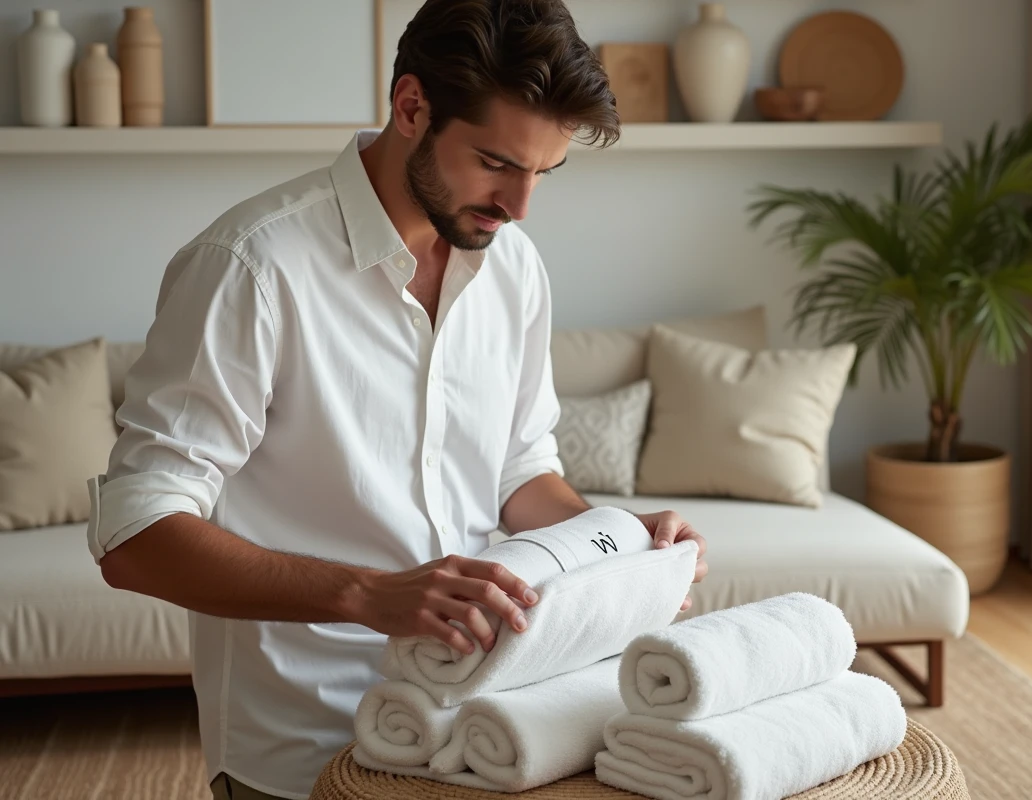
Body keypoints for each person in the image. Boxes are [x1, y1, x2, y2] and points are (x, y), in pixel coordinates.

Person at [85, 1, 708, 798]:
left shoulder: (512, 268)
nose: (519, 206)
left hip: (481, 726)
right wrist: (374, 596)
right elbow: (135, 537)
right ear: (411, 107)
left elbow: (521, 475)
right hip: (300, 744)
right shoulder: (250, 267)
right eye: (495, 163)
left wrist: (616, 539)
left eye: (541, 174)